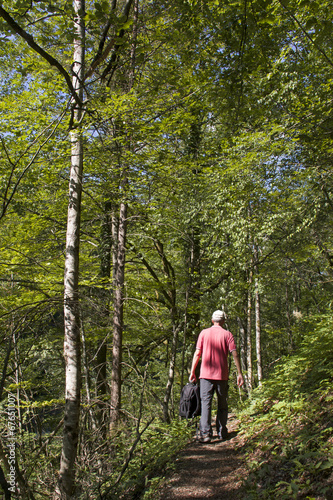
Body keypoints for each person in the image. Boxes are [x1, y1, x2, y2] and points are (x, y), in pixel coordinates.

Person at [189, 310, 244, 443]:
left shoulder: (203, 333)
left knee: (205, 403)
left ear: (212, 320)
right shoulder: (227, 334)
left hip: (205, 376)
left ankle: (205, 434)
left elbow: (197, 353)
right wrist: (240, 373)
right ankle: (221, 431)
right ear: (223, 321)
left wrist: (192, 371)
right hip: (222, 375)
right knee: (222, 403)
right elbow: (234, 353)